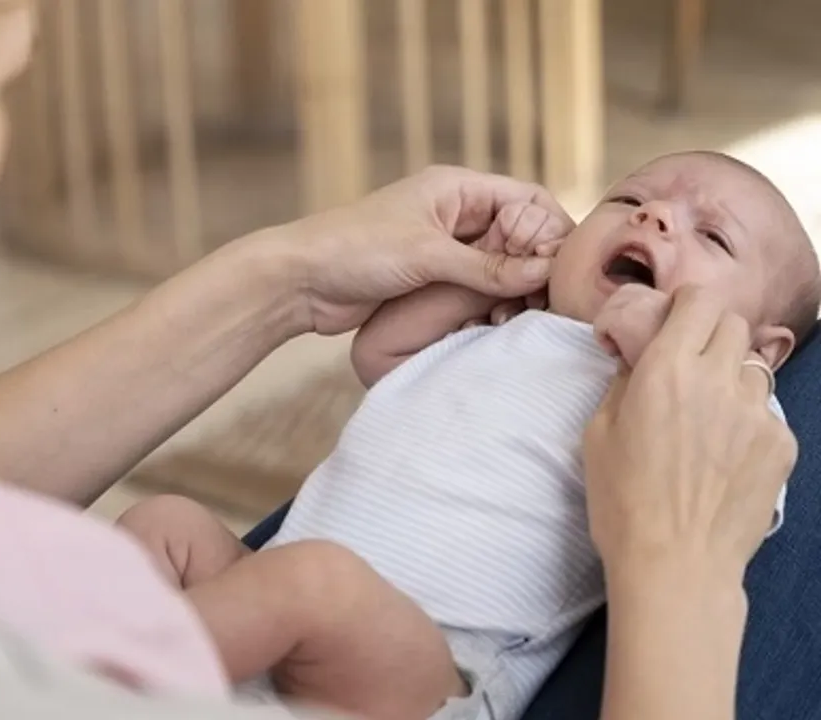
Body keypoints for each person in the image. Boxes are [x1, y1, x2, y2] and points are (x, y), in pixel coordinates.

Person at [0, 1, 801, 719]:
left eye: (704, 237)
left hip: (390, 634)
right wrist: (676, 574)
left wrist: (286, 273)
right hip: (347, 648)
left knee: (193, 535)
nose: (652, 227)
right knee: (251, 560)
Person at [117, 151, 820, 720]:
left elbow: (742, 504)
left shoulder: (720, 402)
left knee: (312, 580)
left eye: (713, 236)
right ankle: (107, 675)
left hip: (430, 670)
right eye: (627, 199)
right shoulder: (514, 329)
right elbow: (383, 354)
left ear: (766, 349)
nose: (655, 215)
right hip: (280, 607)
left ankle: (108, 684)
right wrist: (487, 274)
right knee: (165, 524)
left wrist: (651, 334)